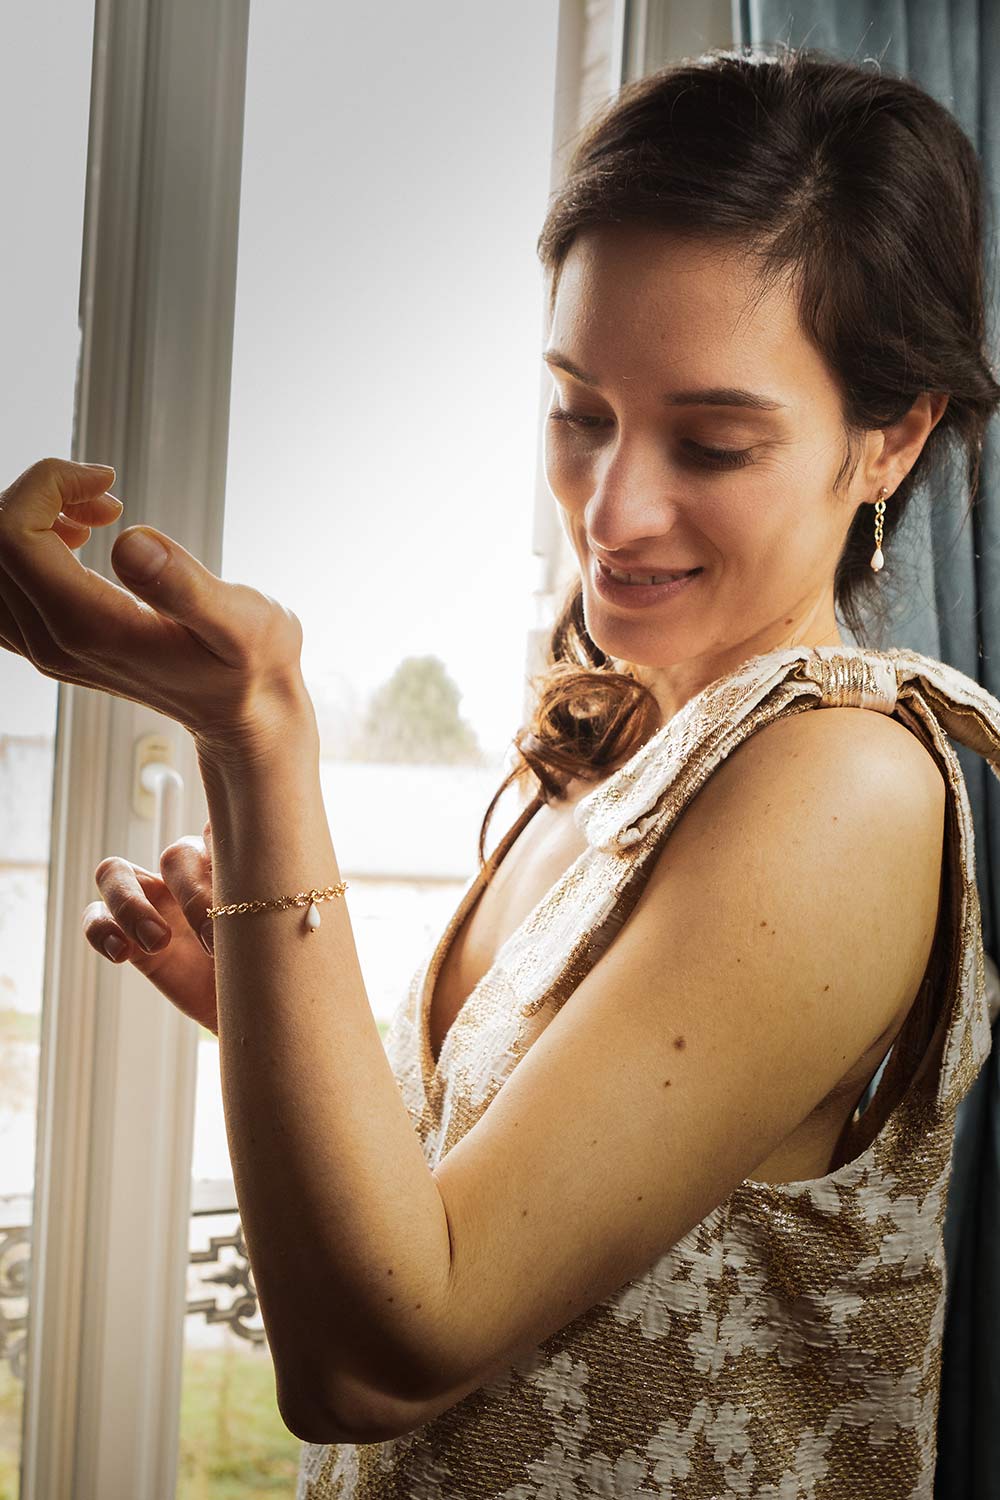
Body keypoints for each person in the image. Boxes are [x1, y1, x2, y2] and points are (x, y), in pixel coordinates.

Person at [62, 42, 998, 1500]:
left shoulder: (846, 790)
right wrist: (253, 995)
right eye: (580, 410)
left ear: (892, 437)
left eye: (712, 440)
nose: (613, 508)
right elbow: (461, 1191)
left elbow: (373, 1362)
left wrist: (258, 740)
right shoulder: (627, 736)